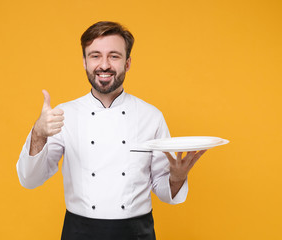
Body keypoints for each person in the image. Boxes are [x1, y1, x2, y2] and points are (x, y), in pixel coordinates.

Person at [16, 21, 206, 240]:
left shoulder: (151, 116)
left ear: (127, 63)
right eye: (95, 56)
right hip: (79, 232)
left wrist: (177, 177)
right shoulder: (62, 115)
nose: (104, 65)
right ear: (85, 62)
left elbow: (164, 192)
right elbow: (30, 180)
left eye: (114, 56)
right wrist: (38, 134)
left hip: (136, 233)